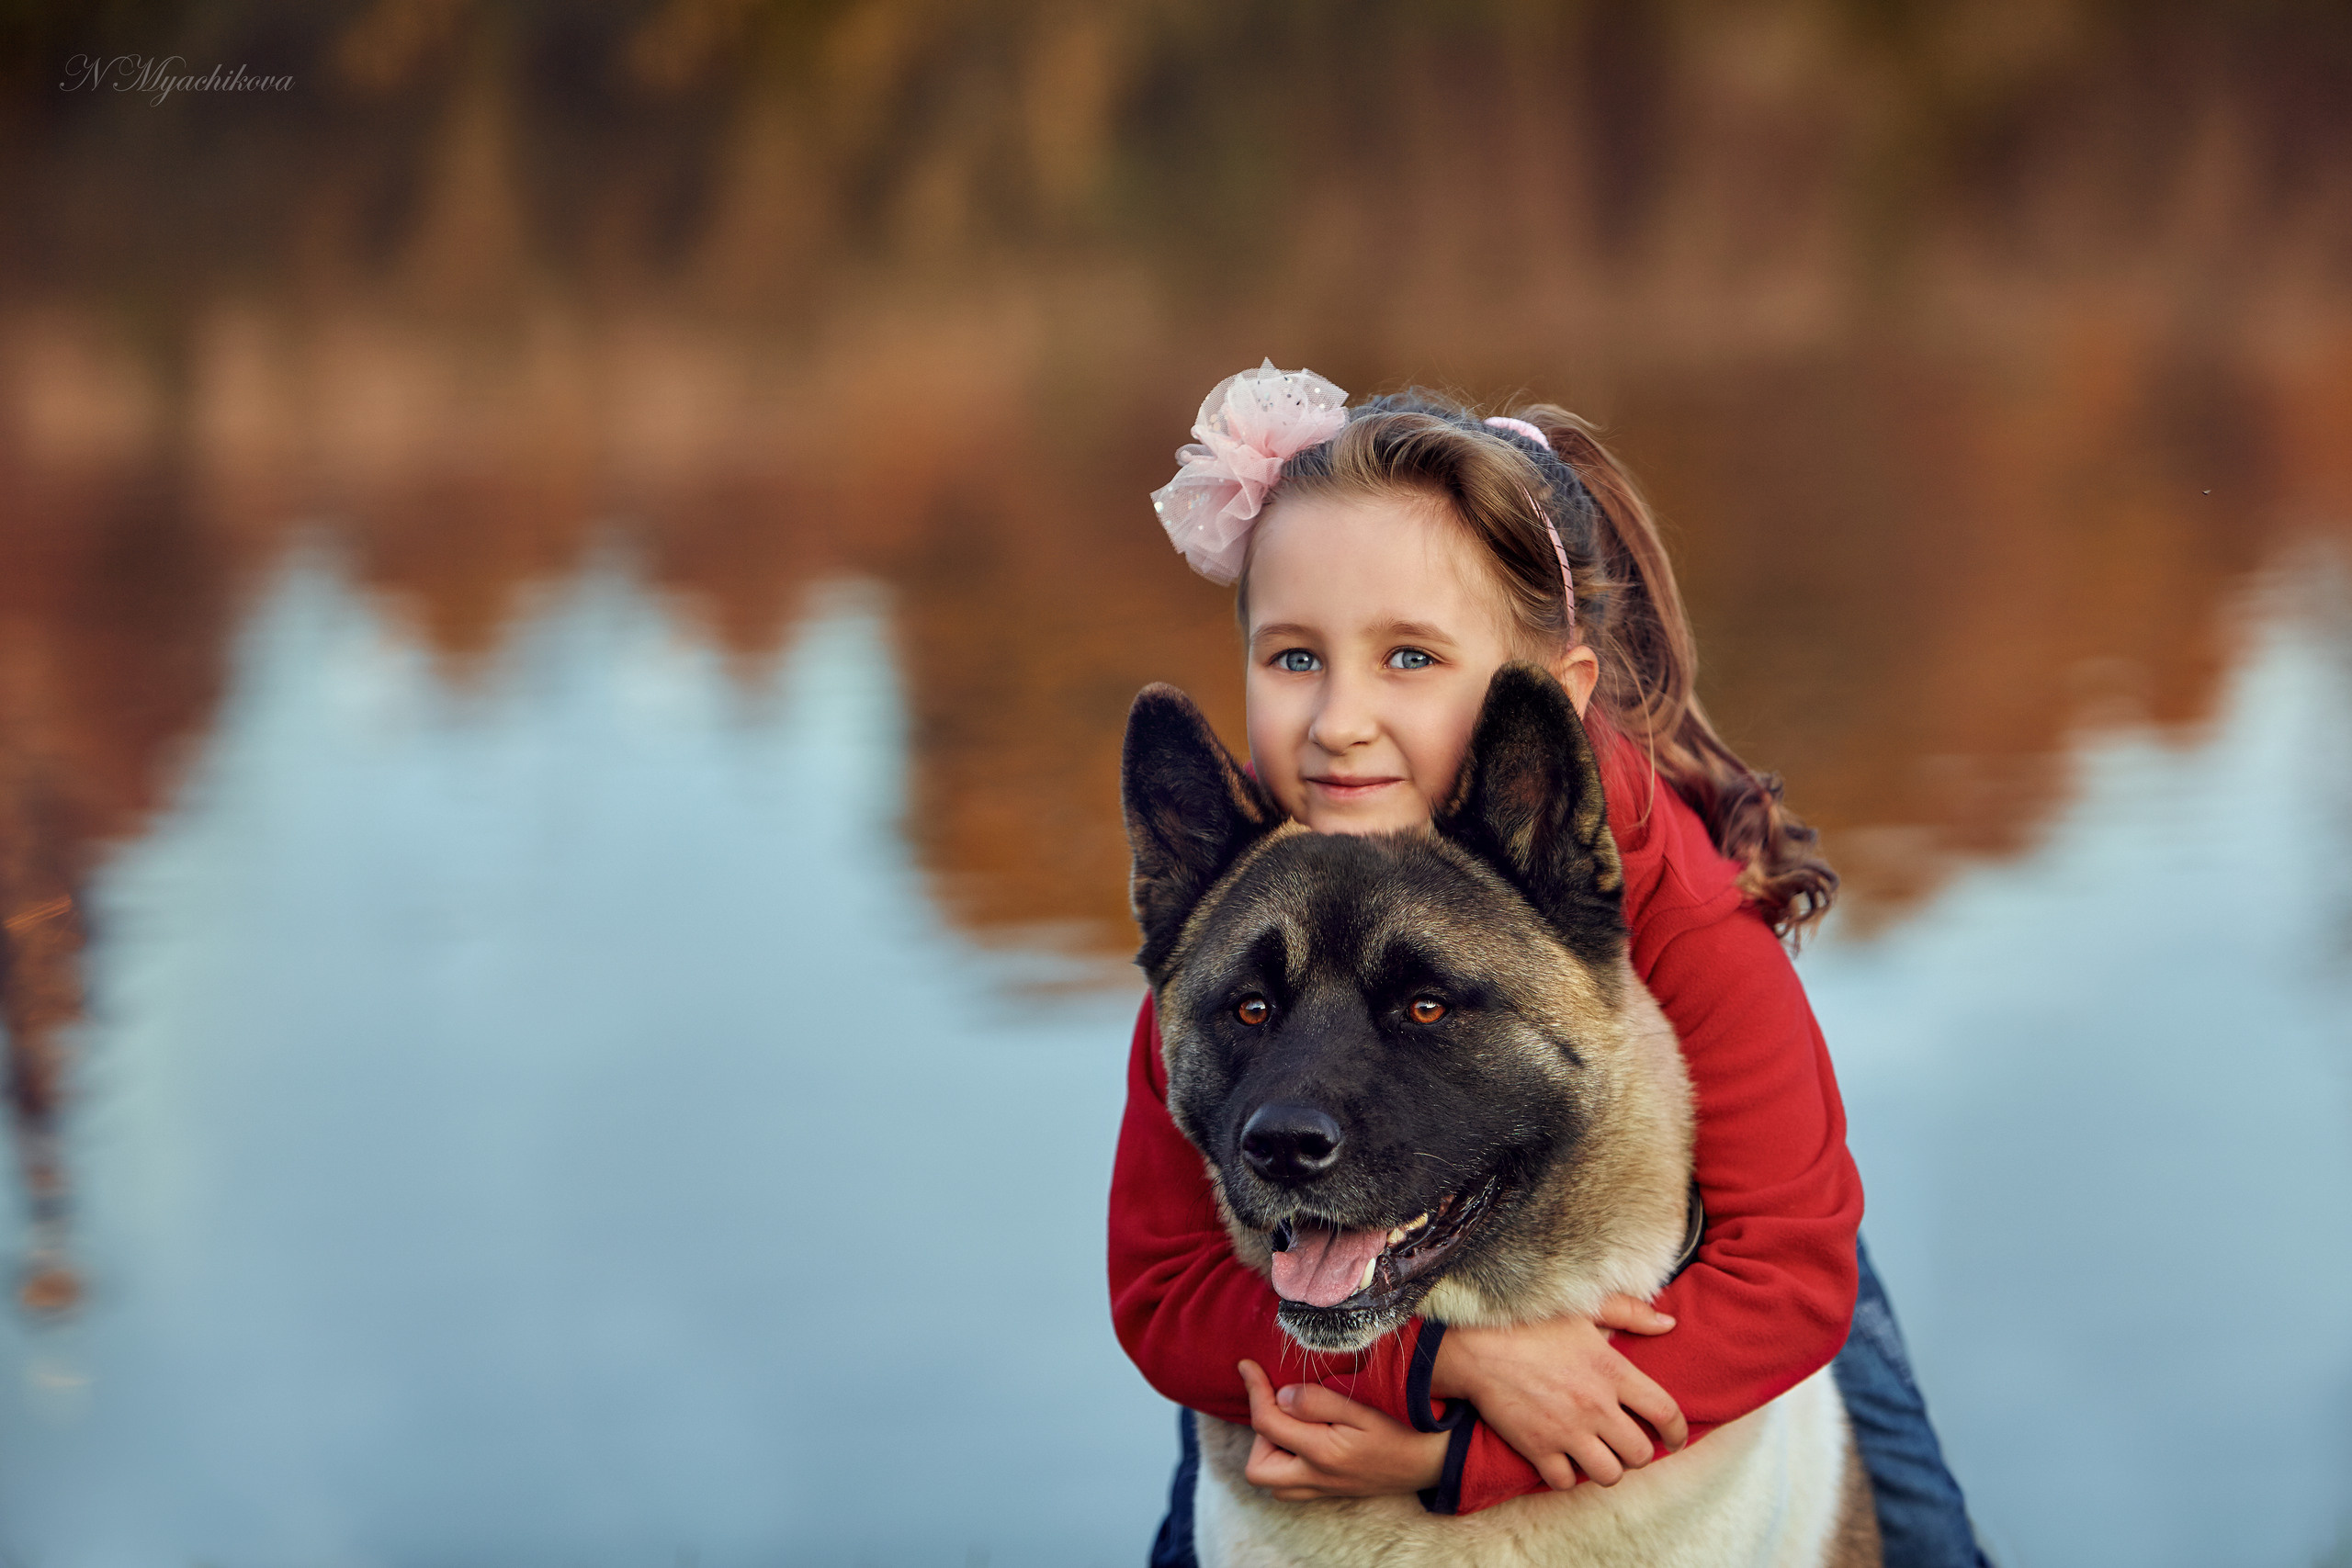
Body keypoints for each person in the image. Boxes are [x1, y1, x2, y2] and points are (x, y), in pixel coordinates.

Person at [1110, 363, 1987, 1565]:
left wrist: (1462, 1457)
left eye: (1409, 657)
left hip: (1747, 1226)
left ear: (1557, 700)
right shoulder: (1240, 916)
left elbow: (1789, 1272)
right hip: (1322, 1254)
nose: (1340, 721)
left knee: (1919, 1521)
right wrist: (1438, 1366)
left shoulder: (1674, 891)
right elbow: (1163, 1292)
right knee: (1211, 1482)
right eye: (1293, 658)